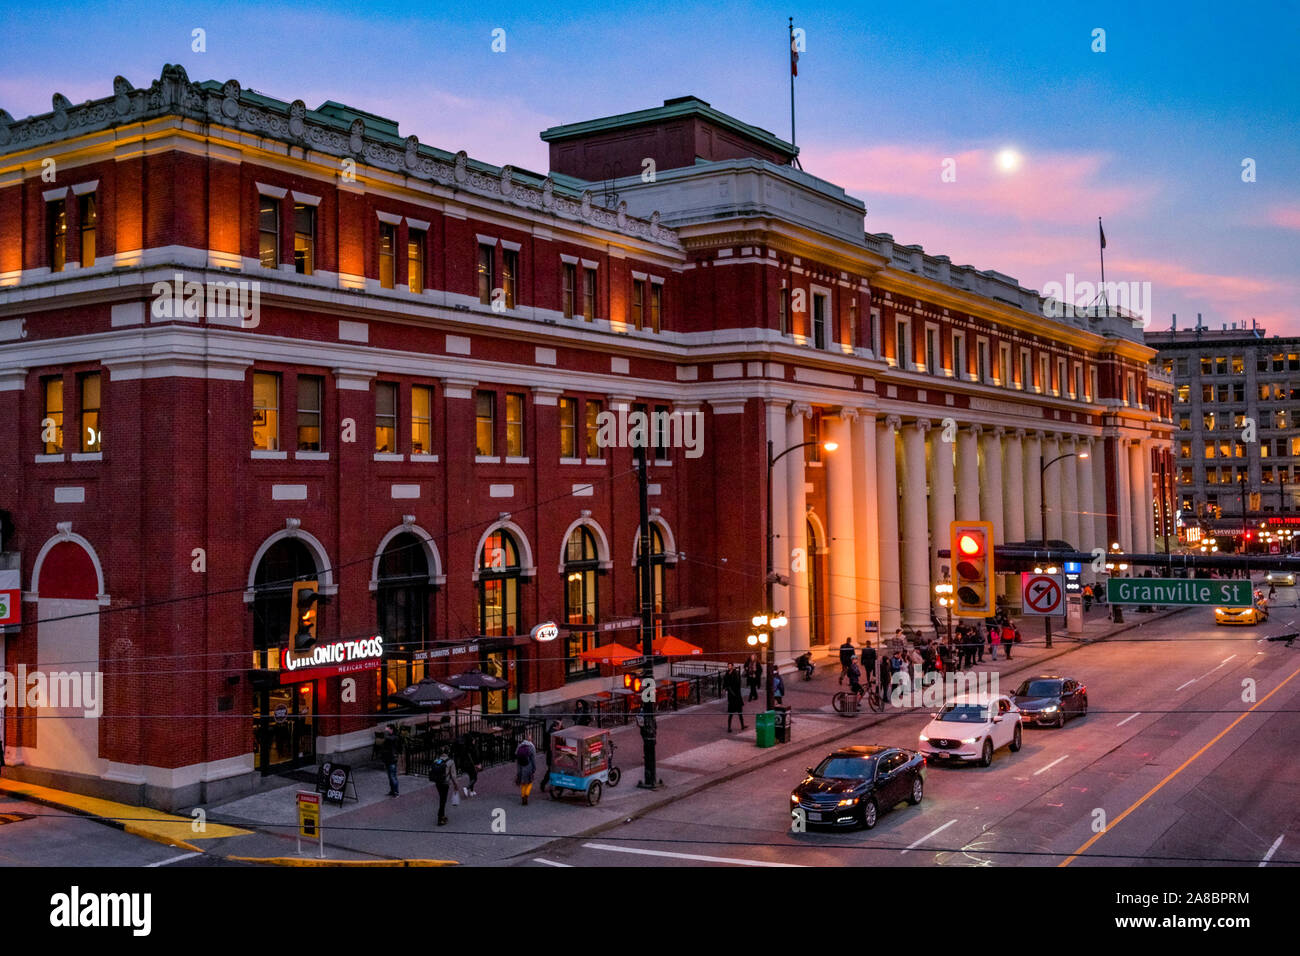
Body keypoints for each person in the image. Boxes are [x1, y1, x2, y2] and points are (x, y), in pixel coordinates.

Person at [428, 745, 457, 826]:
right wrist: (456, 785)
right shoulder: (450, 761)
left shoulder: (437, 760)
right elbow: (453, 775)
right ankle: (440, 817)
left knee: (442, 798)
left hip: (438, 782)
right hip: (445, 782)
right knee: (443, 800)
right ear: (448, 752)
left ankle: (442, 816)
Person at [379, 724, 401, 797]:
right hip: (388, 759)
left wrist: (386, 732)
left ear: (391, 729)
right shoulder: (389, 737)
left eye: (387, 729)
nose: (386, 730)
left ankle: (396, 792)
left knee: (393, 776)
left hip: (392, 759)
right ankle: (392, 791)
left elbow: (388, 738)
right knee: (390, 777)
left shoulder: (394, 737)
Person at [724, 663, 746, 732]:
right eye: (728, 666)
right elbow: (725, 682)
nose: (729, 667)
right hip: (731, 696)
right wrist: (726, 688)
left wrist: (731, 689)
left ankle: (742, 725)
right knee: (731, 713)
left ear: (733, 666)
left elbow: (737, 683)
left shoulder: (735, 673)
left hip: (736, 696)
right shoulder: (727, 673)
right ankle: (729, 727)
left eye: (730, 666)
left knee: (740, 712)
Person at [540, 719, 561, 793]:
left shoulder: (550, 732)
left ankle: (546, 784)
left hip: (550, 755)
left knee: (551, 770)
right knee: (553, 770)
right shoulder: (554, 735)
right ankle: (552, 785)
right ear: (557, 726)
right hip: (552, 755)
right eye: (560, 725)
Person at [515, 737, 537, 805]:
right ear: (530, 740)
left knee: (523, 783)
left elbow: (516, 756)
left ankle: (522, 797)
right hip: (528, 767)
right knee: (530, 782)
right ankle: (526, 796)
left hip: (521, 767)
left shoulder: (519, 746)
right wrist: (534, 768)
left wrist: (518, 771)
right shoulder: (531, 747)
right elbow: (533, 759)